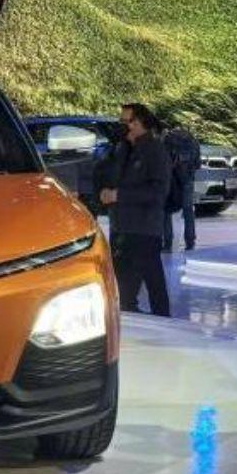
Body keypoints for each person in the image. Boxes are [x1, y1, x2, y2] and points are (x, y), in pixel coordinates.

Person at [100, 103, 171, 316]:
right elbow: (108, 176)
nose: (122, 126)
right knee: (124, 292)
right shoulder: (123, 149)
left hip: (144, 229)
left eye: (126, 121)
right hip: (121, 227)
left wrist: (119, 195)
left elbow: (158, 192)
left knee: (154, 286)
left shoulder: (155, 150)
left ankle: (164, 324)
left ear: (139, 123)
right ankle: (129, 323)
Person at [162, 126, 200, 252]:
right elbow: (197, 163)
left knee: (166, 210)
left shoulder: (167, 139)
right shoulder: (192, 139)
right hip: (187, 179)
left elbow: (164, 160)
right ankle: (190, 241)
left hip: (171, 180)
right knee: (188, 211)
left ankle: (167, 243)